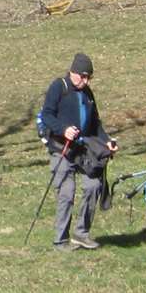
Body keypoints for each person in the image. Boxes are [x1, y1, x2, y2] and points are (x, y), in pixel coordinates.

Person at [35, 53, 116, 249]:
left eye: (89, 77)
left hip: (83, 150)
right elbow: (47, 115)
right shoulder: (59, 86)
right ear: (73, 72)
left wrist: (107, 141)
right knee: (67, 192)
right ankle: (60, 240)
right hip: (61, 148)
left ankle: (81, 233)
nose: (85, 81)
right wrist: (63, 129)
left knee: (93, 186)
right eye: (83, 76)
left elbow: (96, 123)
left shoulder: (87, 93)